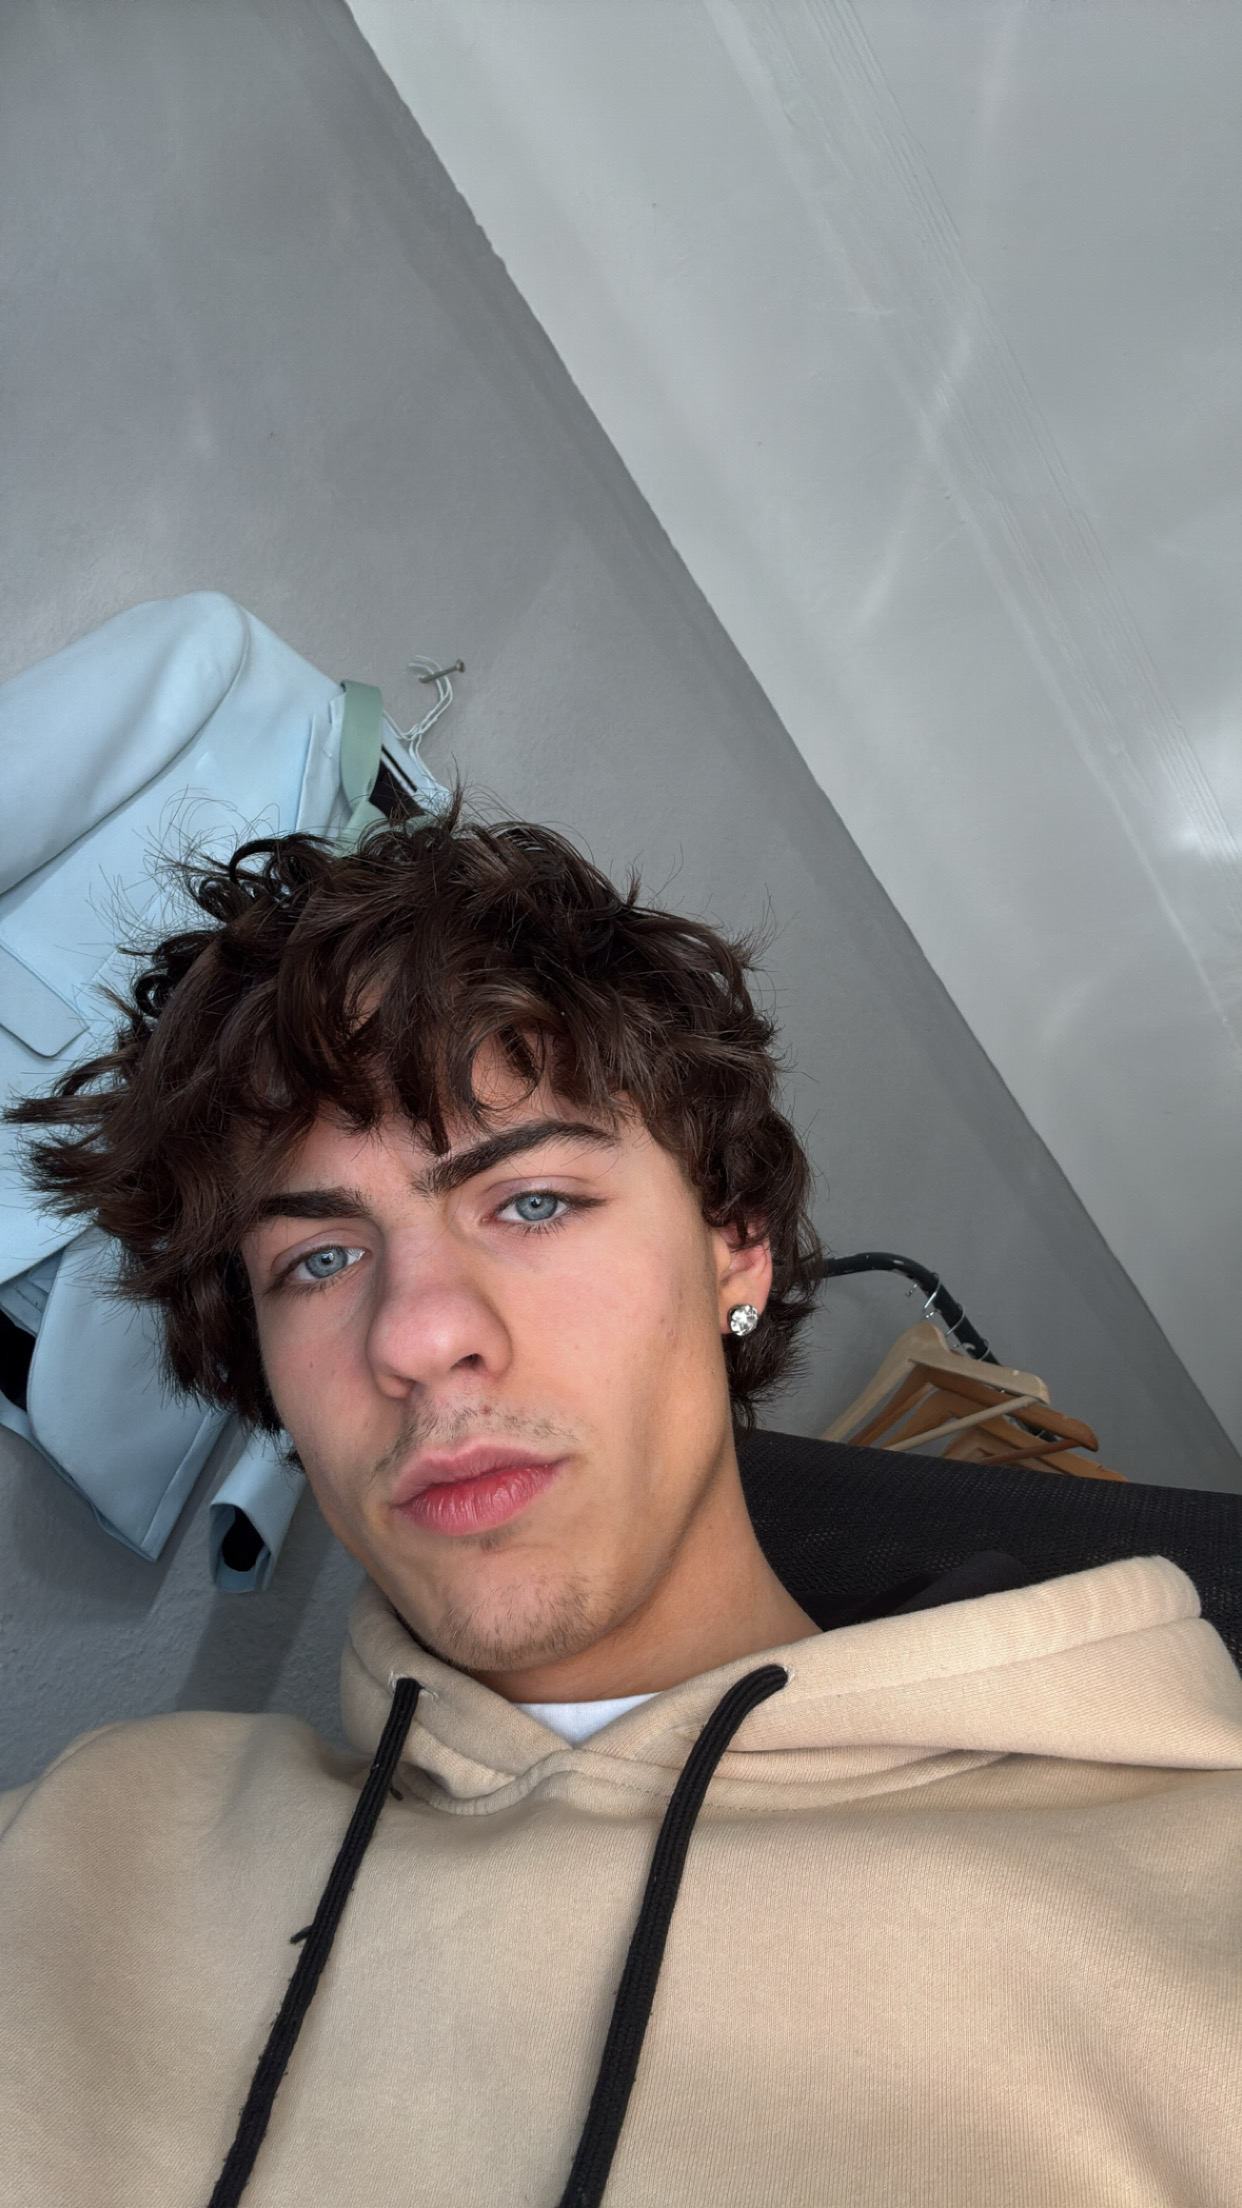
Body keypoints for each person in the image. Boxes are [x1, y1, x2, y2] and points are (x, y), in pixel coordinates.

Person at [3, 804, 1242, 2208]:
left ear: (737, 1247)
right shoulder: (88, 1844)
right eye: (319, 1261)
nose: (417, 1337)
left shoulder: (1190, 1920)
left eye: (530, 1202)